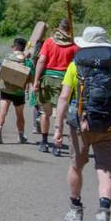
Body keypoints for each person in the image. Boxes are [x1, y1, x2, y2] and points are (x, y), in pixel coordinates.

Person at [52, 26, 111, 221]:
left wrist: (58, 127)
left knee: (76, 166)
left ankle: (75, 209)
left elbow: (63, 98)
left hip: (81, 125)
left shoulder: (75, 65)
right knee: (106, 171)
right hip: (109, 126)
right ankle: (103, 209)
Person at [30, 19, 78, 153]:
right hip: (65, 82)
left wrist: (36, 80)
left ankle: (44, 143)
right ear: (69, 30)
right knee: (60, 115)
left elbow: (41, 61)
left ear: (58, 28)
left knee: (45, 113)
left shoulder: (49, 42)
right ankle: (57, 144)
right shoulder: (74, 46)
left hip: (47, 80)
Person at [0, 37, 32, 144]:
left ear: (14, 47)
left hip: (5, 90)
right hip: (19, 92)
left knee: (2, 112)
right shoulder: (26, 60)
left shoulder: (7, 58)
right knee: (20, 115)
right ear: (23, 48)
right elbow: (30, 78)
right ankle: (20, 136)